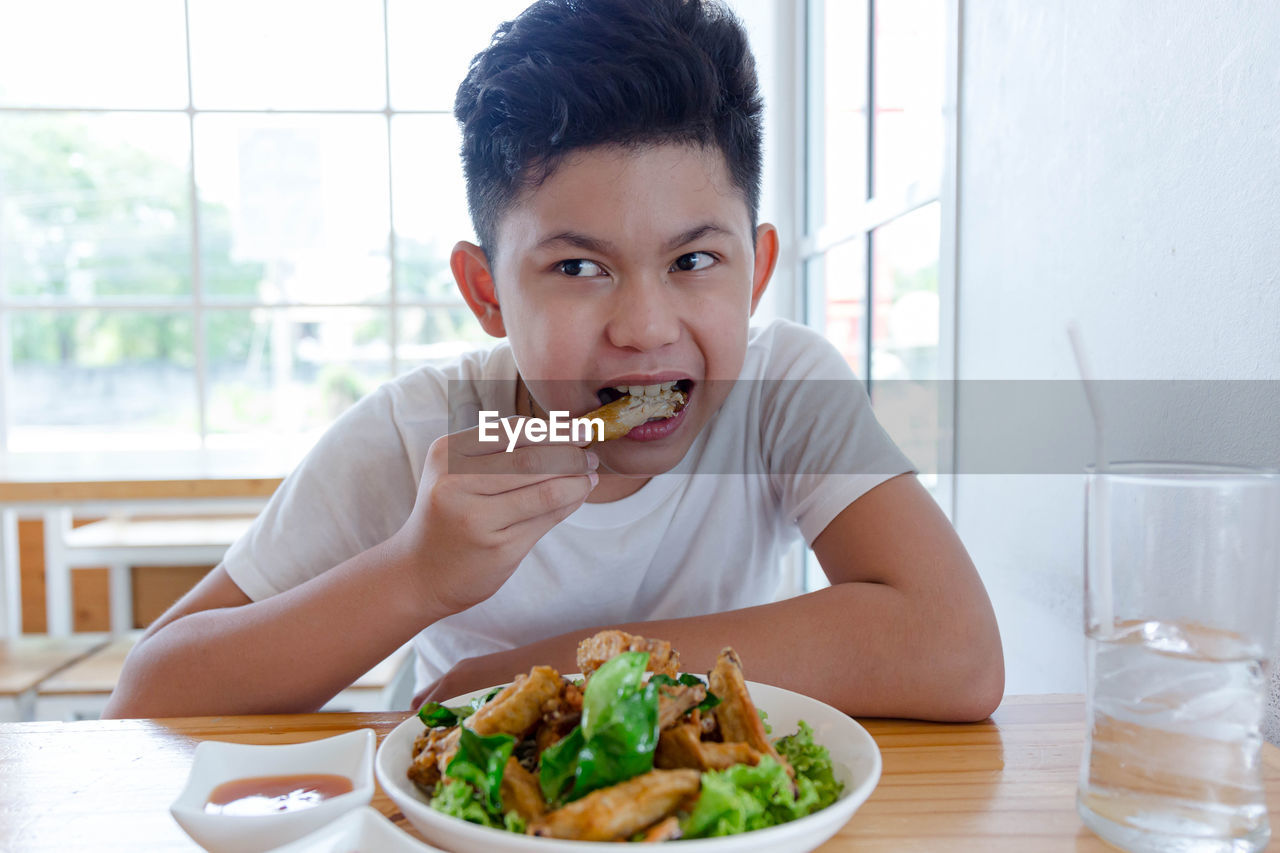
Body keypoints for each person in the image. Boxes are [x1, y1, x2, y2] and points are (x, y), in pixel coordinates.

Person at [103, 0, 1002, 722]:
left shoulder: (782, 392)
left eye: (695, 261)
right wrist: (416, 573)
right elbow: (149, 694)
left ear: (757, 271)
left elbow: (955, 649)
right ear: (487, 290)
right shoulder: (427, 432)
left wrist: (556, 669)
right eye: (578, 267)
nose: (647, 328)